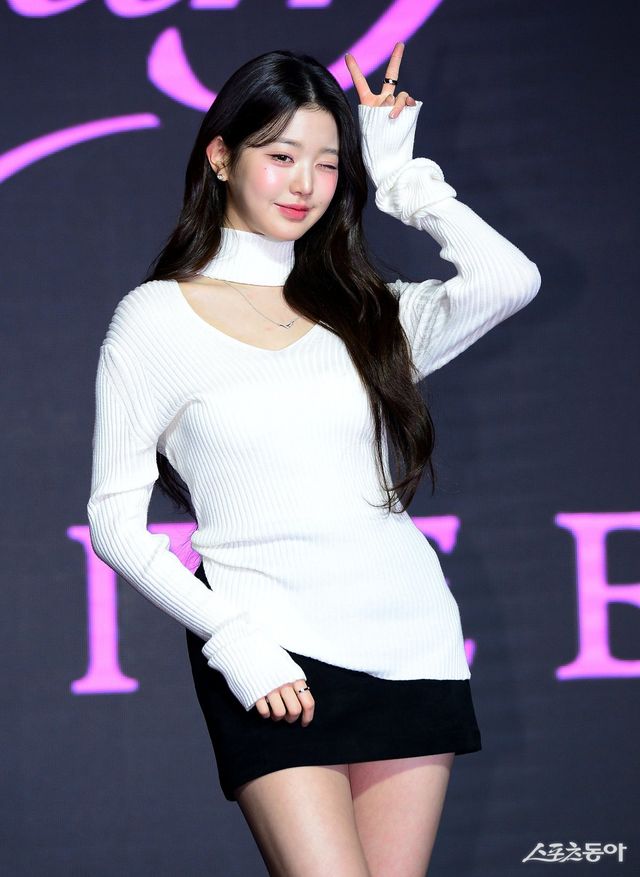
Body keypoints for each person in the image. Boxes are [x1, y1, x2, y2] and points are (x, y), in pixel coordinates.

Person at [87, 42, 541, 877]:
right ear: (221, 156)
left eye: (328, 162)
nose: (305, 183)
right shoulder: (155, 319)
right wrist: (233, 640)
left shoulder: (366, 314)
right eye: (281, 155)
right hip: (270, 653)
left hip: (410, 642)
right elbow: (113, 521)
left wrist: (404, 181)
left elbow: (509, 280)